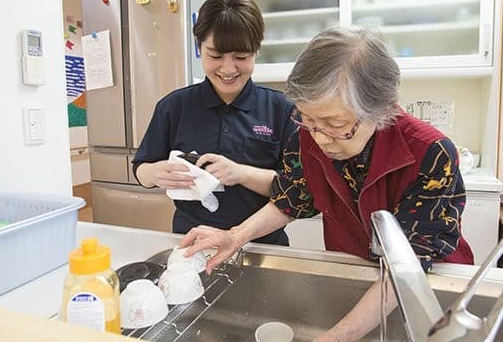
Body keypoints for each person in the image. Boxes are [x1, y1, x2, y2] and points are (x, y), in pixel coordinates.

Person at [180, 26, 474, 341]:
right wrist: (235, 236)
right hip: (357, 275)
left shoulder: (430, 153)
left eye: (336, 125)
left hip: (430, 288)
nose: (319, 137)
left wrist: (336, 337)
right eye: (308, 119)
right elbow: (291, 198)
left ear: (379, 110)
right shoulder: (308, 134)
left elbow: (408, 265)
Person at [132, 0, 296, 246]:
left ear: (256, 52)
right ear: (199, 49)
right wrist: (155, 173)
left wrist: (240, 173)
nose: (228, 69)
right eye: (215, 56)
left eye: (241, 57)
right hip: (191, 242)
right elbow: (141, 168)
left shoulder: (281, 109)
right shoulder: (174, 107)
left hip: (264, 245)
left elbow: (295, 188)